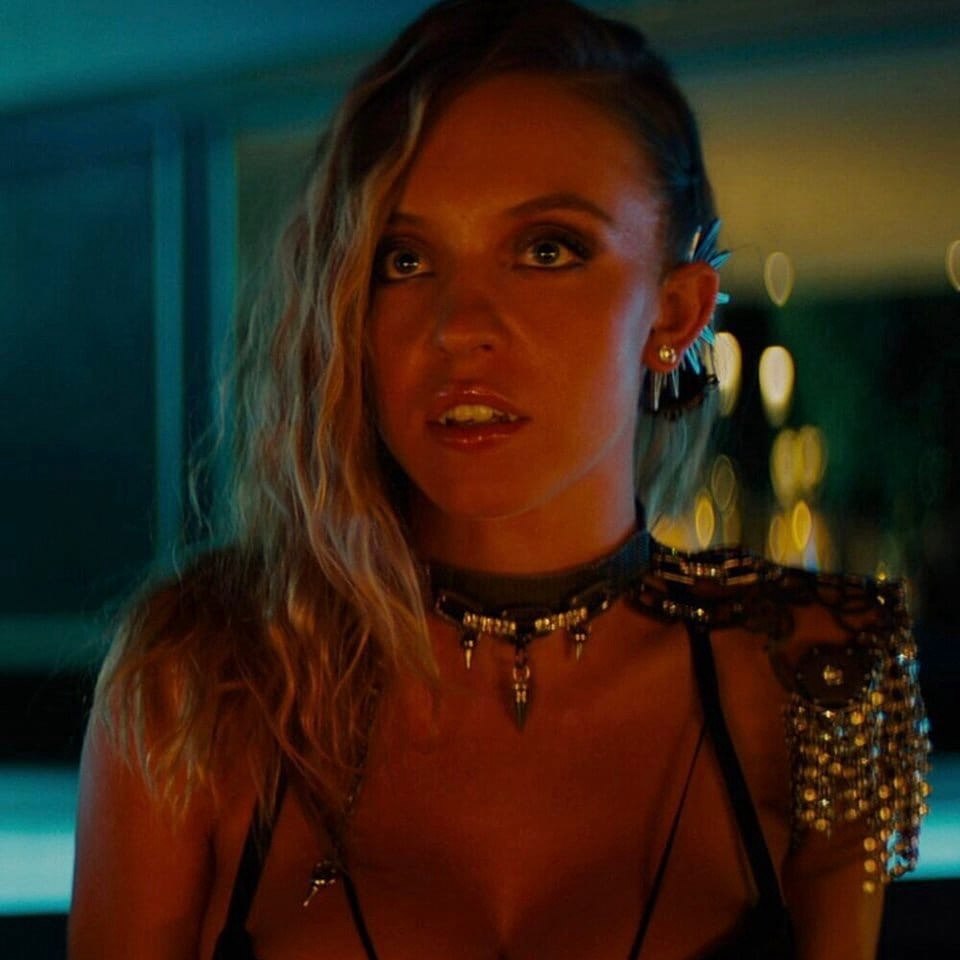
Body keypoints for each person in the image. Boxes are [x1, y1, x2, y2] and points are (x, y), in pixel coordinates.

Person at [68, 1, 930, 958]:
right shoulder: (205, 679)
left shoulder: (820, 673)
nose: (460, 327)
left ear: (675, 313)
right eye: (404, 260)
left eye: (547, 249)